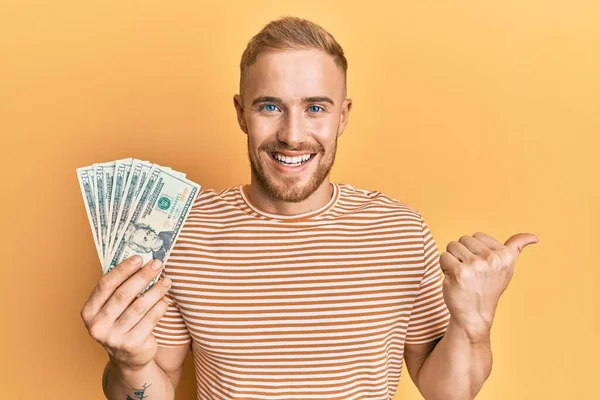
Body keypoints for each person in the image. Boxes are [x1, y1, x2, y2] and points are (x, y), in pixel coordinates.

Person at [80, 16, 539, 400]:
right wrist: (130, 363)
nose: (293, 135)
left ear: (343, 115)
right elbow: (148, 389)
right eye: (270, 107)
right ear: (241, 113)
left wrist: (473, 324)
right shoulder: (183, 232)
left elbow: (447, 392)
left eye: (315, 107)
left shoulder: (400, 230)